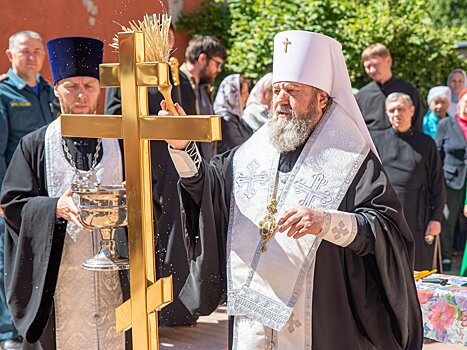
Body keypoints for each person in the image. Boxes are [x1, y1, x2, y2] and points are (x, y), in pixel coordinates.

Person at [161, 30, 422, 349]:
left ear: (322, 98)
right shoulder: (255, 149)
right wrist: (182, 146)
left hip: (319, 313)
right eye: (277, 90)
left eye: (293, 91)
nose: (280, 100)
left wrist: (327, 222)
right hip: (252, 312)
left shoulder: (352, 157)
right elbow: (210, 189)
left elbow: (385, 229)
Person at [0, 36, 129, 349]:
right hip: (57, 281)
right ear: (55, 88)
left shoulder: (122, 142)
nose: (81, 95)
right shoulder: (35, 144)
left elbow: (152, 199)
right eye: (71, 86)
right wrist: (55, 206)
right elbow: (13, 204)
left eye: (89, 85)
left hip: (114, 280)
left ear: (100, 89)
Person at [0, 30, 59, 350]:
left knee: (41, 258)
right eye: (25, 51)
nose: (33, 56)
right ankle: (10, 331)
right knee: (7, 261)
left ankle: (38, 325)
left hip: (47, 195)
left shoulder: (52, 92)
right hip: (14, 195)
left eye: (38, 50)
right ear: (11, 55)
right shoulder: (4, 94)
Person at [374, 92, 445, 270]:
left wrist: (436, 219)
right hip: (386, 215)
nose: (396, 114)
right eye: (392, 110)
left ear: (412, 110)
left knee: (418, 271)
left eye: (401, 109)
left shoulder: (426, 143)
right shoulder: (376, 141)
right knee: (387, 269)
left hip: (418, 216)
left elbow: (437, 183)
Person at [356, 43, 422, 136]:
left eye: (375, 65)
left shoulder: (408, 90)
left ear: (388, 61)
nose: (372, 70)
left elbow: (417, 125)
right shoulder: (362, 95)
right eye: (368, 67)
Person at [436, 87, 467, 271]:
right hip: (451, 179)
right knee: (448, 219)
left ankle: (463, 258)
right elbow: (438, 153)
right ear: (458, 104)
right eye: (465, 103)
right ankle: (446, 257)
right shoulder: (446, 124)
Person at [213, 74, 252, 154]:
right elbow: (239, 146)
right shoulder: (225, 118)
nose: (247, 97)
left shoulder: (236, 116)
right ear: (232, 95)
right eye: (243, 93)